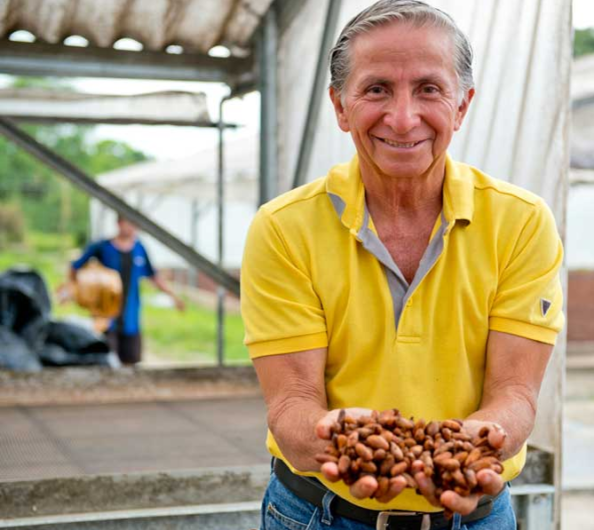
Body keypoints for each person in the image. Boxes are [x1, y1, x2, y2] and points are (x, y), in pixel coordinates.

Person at [241, 1, 564, 528]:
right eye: (376, 89)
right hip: (317, 514)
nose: (403, 117)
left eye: (429, 89)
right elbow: (293, 401)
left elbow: (515, 393)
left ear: (461, 106)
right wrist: (334, 437)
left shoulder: (521, 222)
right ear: (340, 107)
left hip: (475, 516)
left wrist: (468, 452)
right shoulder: (283, 228)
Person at [70, 214, 184, 365]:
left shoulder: (139, 248)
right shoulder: (102, 247)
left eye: (135, 224)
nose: (131, 228)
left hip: (131, 316)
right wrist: (74, 289)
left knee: (131, 361)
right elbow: (75, 267)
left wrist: (173, 296)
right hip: (105, 317)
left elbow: (153, 275)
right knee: (107, 360)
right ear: (119, 223)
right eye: (129, 223)